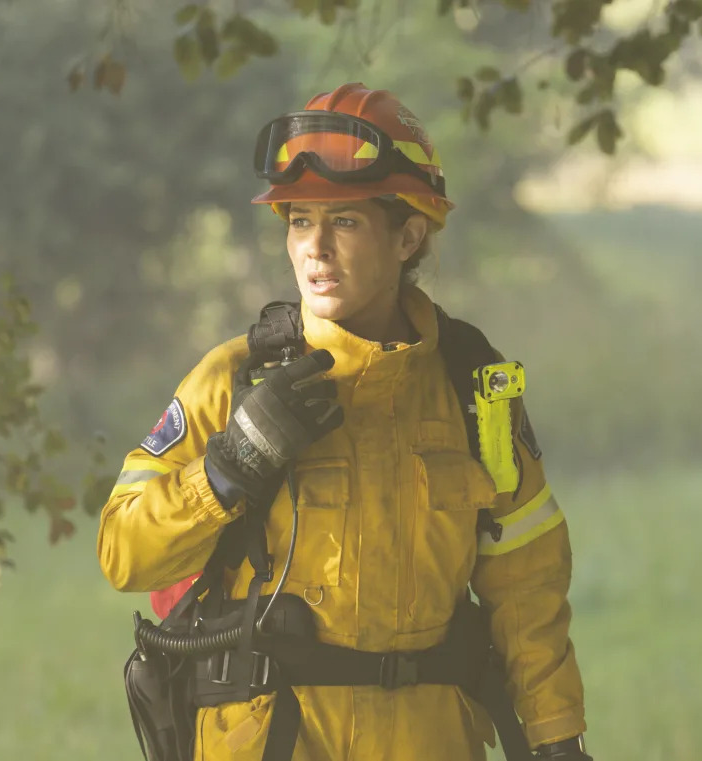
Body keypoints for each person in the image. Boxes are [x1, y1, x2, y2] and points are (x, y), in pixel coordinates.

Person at [98, 82, 590, 761]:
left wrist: (556, 737)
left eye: (346, 222)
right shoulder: (233, 377)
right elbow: (124, 551)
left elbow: (527, 582)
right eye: (300, 221)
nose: (314, 248)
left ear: (408, 234)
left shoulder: (472, 385)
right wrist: (226, 467)